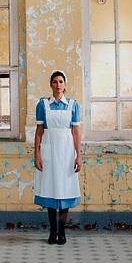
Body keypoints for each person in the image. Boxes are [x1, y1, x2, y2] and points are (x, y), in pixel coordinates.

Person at [33, 70, 82, 245]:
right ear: (51, 84)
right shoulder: (43, 105)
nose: (58, 85)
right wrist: (37, 155)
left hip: (67, 153)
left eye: (61, 81)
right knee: (51, 190)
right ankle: (52, 232)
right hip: (49, 152)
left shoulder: (73, 105)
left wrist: (78, 156)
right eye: (55, 82)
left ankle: (62, 231)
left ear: (65, 84)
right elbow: (39, 132)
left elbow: (75, 132)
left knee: (65, 190)